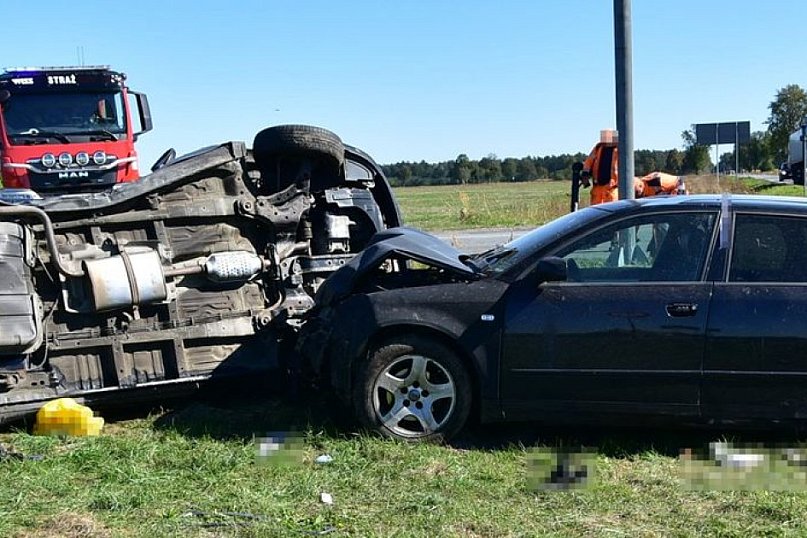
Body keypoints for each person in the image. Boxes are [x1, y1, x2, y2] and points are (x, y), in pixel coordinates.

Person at [581, 129, 619, 205]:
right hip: (598, 187)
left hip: (611, 188)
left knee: (612, 211)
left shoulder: (620, 149)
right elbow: (589, 161)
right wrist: (585, 173)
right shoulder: (598, 148)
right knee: (596, 212)